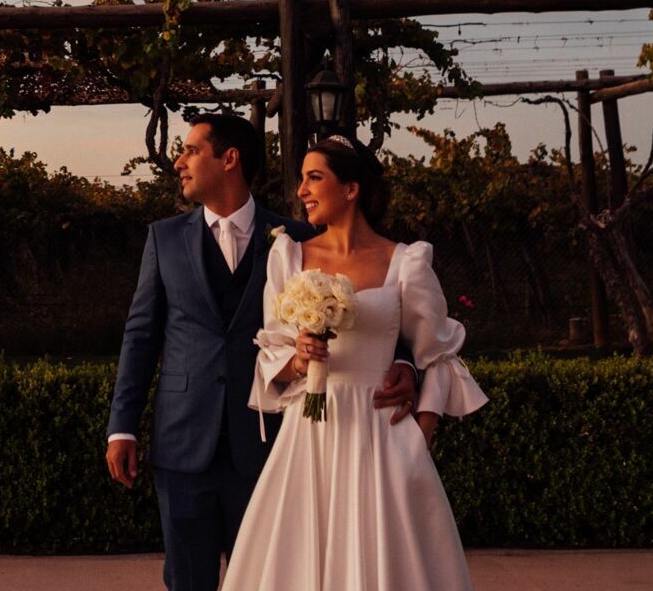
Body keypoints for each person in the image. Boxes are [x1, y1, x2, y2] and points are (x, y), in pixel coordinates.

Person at [106, 113, 420, 591]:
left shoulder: (298, 239)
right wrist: (122, 427)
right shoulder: (163, 238)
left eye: (191, 150)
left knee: (272, 579)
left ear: (229, 159)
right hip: (182, 439)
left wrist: (404, 361)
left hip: (271, 442)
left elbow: (372, 306)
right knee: (187, 582)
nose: (179, 162)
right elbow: (140, 335)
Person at [222, 135, 488, 591]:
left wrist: (418, 440)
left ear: (352, 188)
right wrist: (300, 360)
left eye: (314, 178)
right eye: (301, 179)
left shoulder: (407, 262)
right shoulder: (289, 255)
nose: (301, 190)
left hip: (382, 437)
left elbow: (439, 355)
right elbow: (272, 353)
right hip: (310, 437)